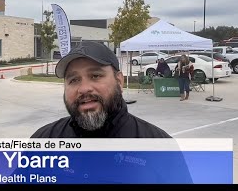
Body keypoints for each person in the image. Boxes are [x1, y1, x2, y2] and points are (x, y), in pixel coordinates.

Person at [30, 41, 172, 138]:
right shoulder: (43, 142)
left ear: (119, 81)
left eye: (95, 76)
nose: (84, 89)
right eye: (74, 80)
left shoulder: (160, 148)